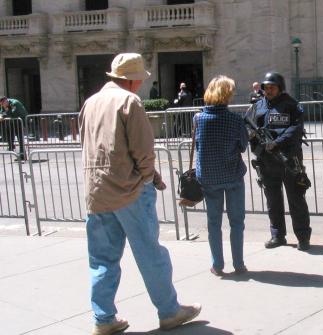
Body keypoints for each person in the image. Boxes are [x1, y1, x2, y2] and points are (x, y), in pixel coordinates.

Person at [79, 53, 201, 335]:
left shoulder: (90, 102)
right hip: (129, 189)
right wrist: (149, 179)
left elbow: (86, 142)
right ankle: (169, 311)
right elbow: (143, 150)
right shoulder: (128, 101)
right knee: (150, 253)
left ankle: (104, 318)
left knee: (102, 259)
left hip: (97, 191)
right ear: (132, 80)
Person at [245, 71, 312, 251]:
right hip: (266, 161)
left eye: (272, 87)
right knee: (273, 200)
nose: (269, 90)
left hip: (289, 160)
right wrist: (252, 138)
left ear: (280, 88)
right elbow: (247, 124)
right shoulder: (257, 106)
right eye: (266, 87)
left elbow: (296, 128)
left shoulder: (291, 105)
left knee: (296, 199)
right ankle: (277, 235)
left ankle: (303, 237)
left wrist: (276, 143)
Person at [195, 75, 248, 276]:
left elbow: (199, 146)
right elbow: (243, 146)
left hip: (209, 177)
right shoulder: (235, 120)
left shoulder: (198, 119)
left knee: (214, 223)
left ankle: (217, 265)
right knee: (236, 222)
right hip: (232, 175)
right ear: (227, 95)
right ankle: (239, 264)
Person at [0, 96, 27, 160]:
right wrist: (1, 115)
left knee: (20, 138)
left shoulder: (14, 103)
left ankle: (23, 155)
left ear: (6, 100)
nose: (2, 105)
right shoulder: (3, 104)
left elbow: (13, 114)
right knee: (8, 133)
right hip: (12, 121)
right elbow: (2, 112)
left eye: (3, 103)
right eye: (1, 104)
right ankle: (11, 146)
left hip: (20, 121)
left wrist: (6, 110)